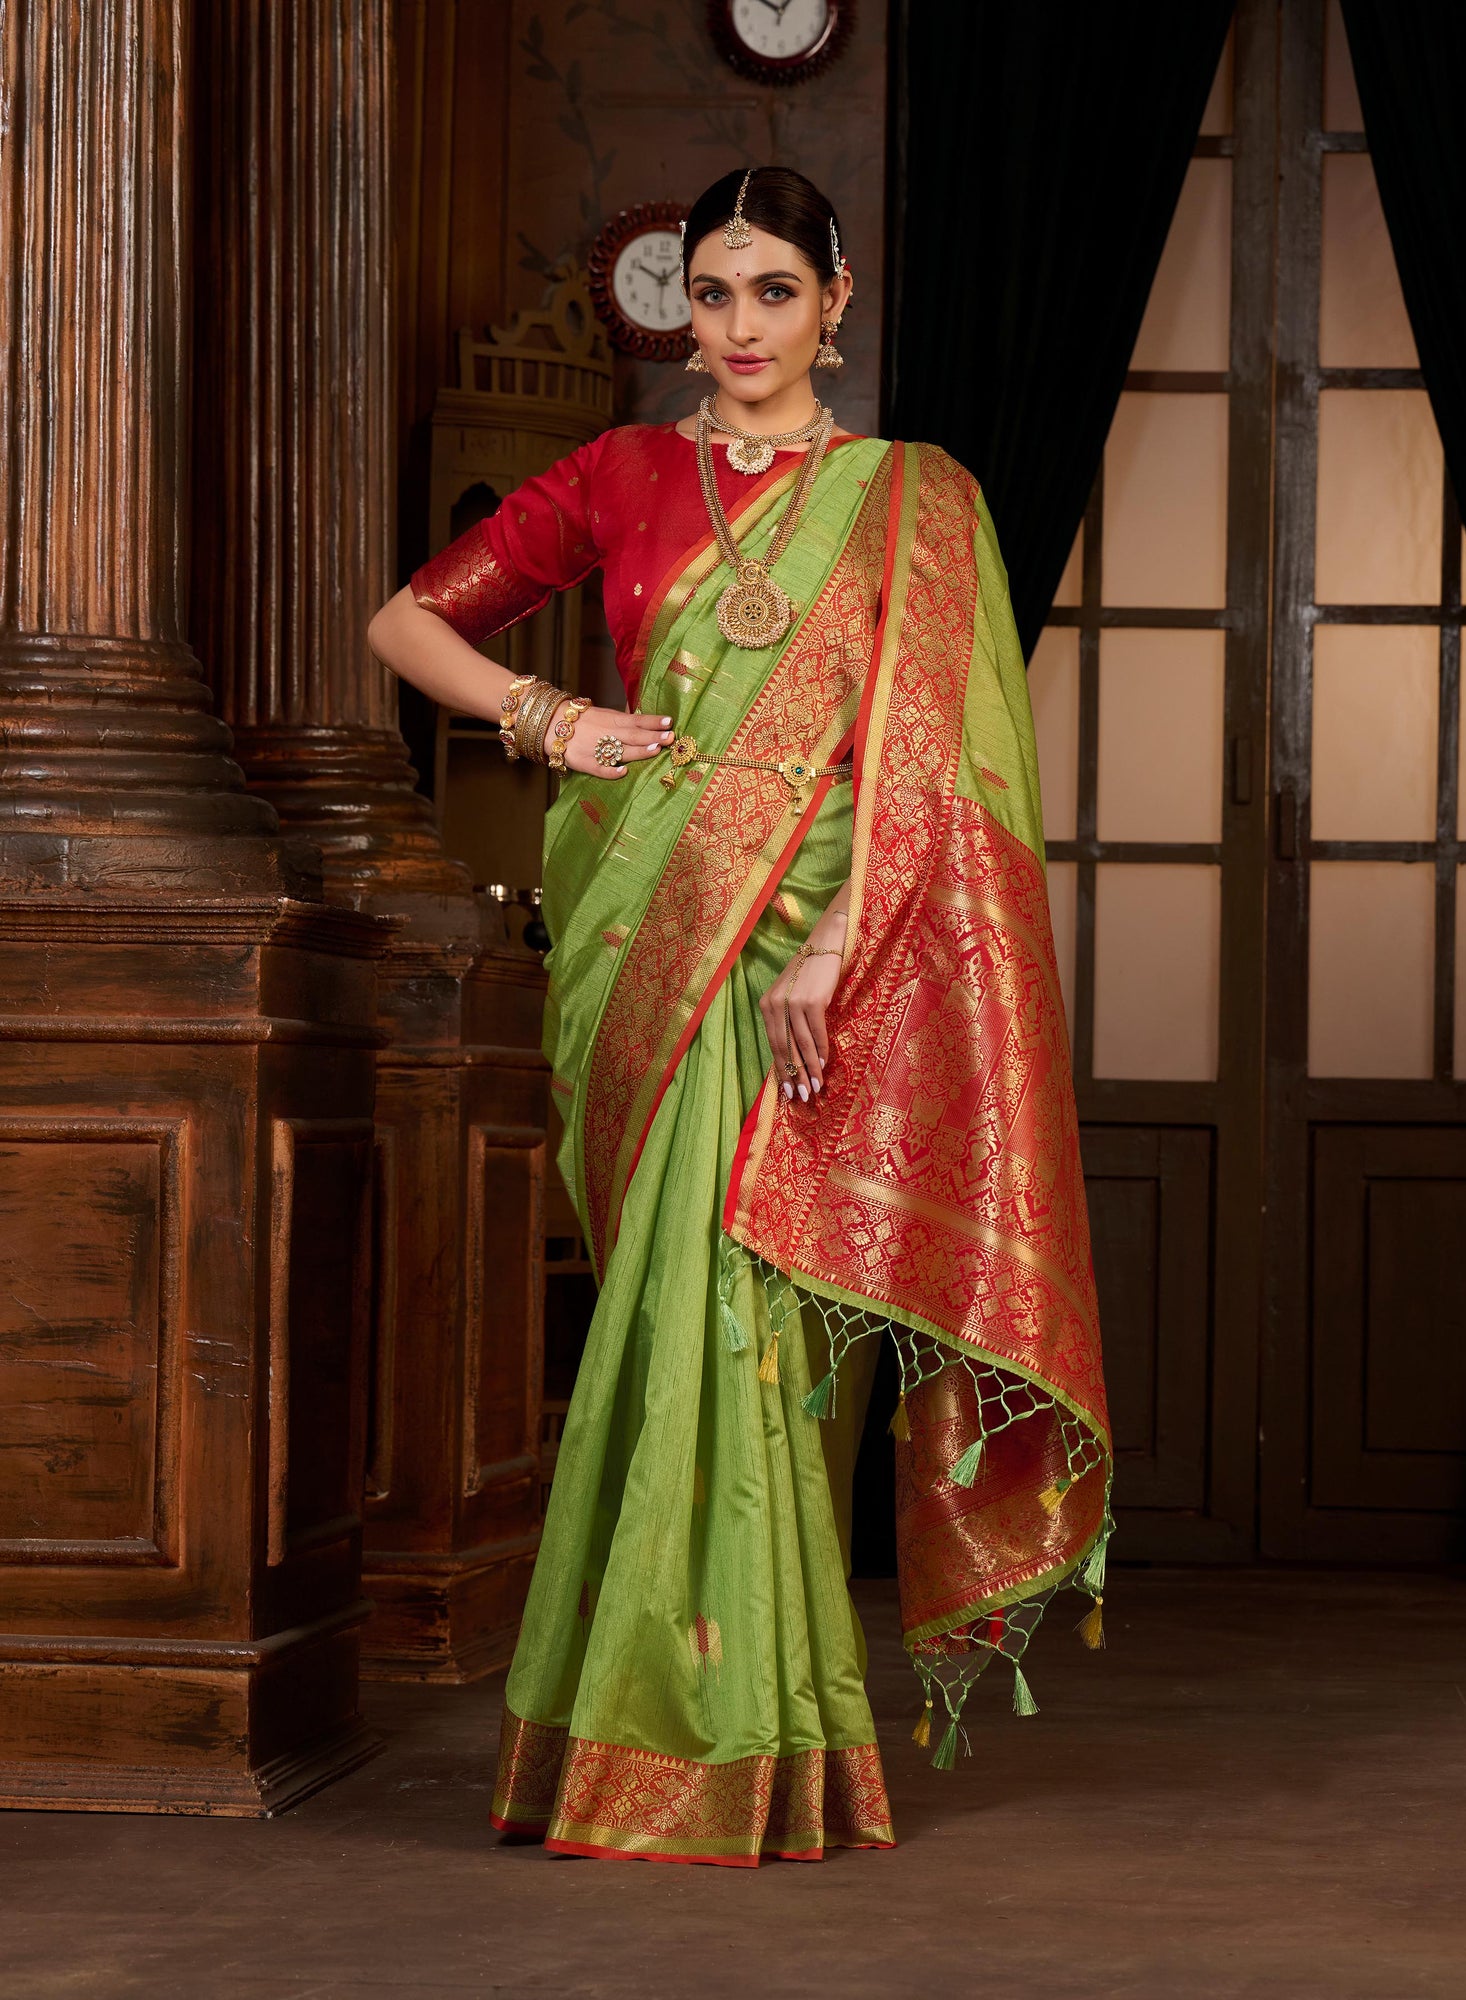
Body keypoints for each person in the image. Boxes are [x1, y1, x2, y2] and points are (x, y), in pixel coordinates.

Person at [368, 166, 1112, 1869]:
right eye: (713, 294)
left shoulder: (918, 500)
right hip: (650, 938)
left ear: (835, 300)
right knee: (663, 1319)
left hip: (822, 966)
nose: (741, 326)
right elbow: (407, 621)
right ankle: (639, 1740)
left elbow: (953, 773)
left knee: (762, 1329)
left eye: (774, 290)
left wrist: (835, 943)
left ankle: (764, 1741)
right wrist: (554, 722)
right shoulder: (624, 475)